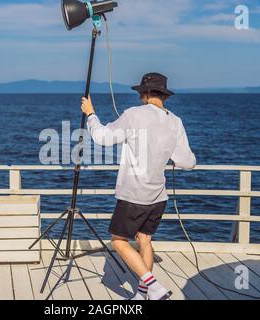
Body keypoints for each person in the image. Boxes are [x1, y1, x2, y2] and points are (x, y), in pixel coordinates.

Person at [81, 72, 196, 300]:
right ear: (164, 95)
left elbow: (102, 137)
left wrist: (90, 114)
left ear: (144, 93)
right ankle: (144, 295)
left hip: (134, 195)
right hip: (158, 197)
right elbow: (188, 162)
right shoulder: (176, 121)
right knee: (145, 239)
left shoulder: (133, 115)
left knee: (119, 241)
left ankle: (154, 287)